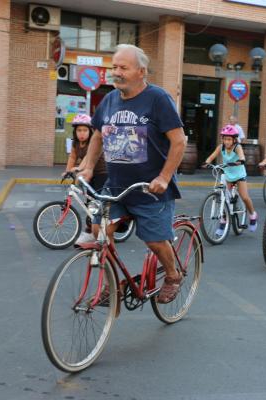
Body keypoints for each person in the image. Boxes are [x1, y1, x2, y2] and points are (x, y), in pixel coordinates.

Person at [79, 44, 187, 304]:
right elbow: (97, 134)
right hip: (116, 187)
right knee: (98, 229)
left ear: (141, 71)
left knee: (154, 241)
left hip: (150, 189)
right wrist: (89, 166)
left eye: (123, 68)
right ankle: (111, 284)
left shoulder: (158, 99)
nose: (116, 72)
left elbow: (179, 141)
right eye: (114, 67)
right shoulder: (109, 99)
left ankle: (173, 275)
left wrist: (163, 177)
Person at [202, 124, 258, 234]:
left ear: (234, 140)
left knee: (245, 197)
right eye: (224, 139)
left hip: (239, 175)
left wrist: (240, 160)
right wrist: (207, 162)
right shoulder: (221, 147)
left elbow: (242, 157)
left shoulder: (237, 147)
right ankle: (223, 222)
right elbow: (212, 156)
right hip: (228, 175)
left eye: (229, 139)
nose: (226, 141)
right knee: (224, 198)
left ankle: (253, 215)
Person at [65, 114, 109, 244]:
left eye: (84, 130)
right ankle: (91, 229)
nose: (81, 134)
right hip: (88, 174)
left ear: (90, 131)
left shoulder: (92, 143)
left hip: (102, 173)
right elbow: (72, 157)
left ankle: (98, 229)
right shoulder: (75, 143)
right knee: (89, 203)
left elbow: (86, 159)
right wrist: (67, 171)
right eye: (79, 130)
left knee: (97, 202)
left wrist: (78, 169)